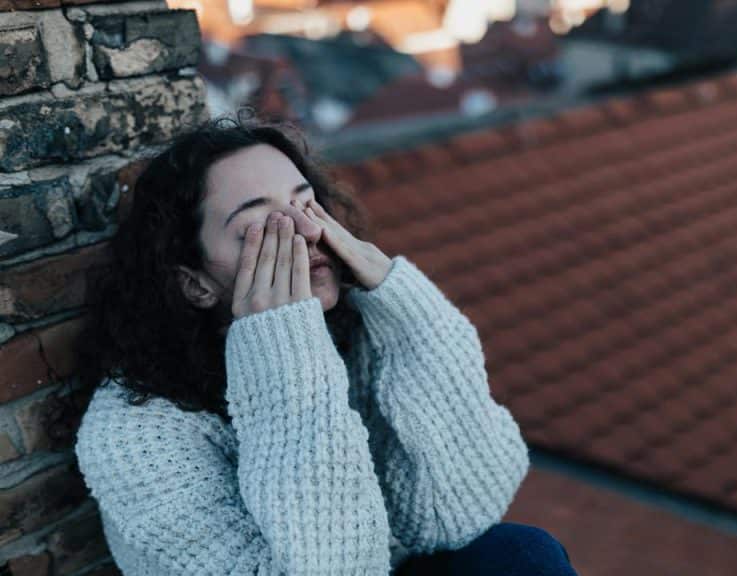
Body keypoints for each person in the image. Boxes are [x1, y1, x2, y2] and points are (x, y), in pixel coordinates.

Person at [71, 113, 579, 576]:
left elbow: (458, 516)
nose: (308, 232)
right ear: (195, 283)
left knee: (521, 555)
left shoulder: (354, 333)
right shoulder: (134, 436)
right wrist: (283, 352)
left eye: (305, 203)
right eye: (261, 224)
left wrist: (405, 308)